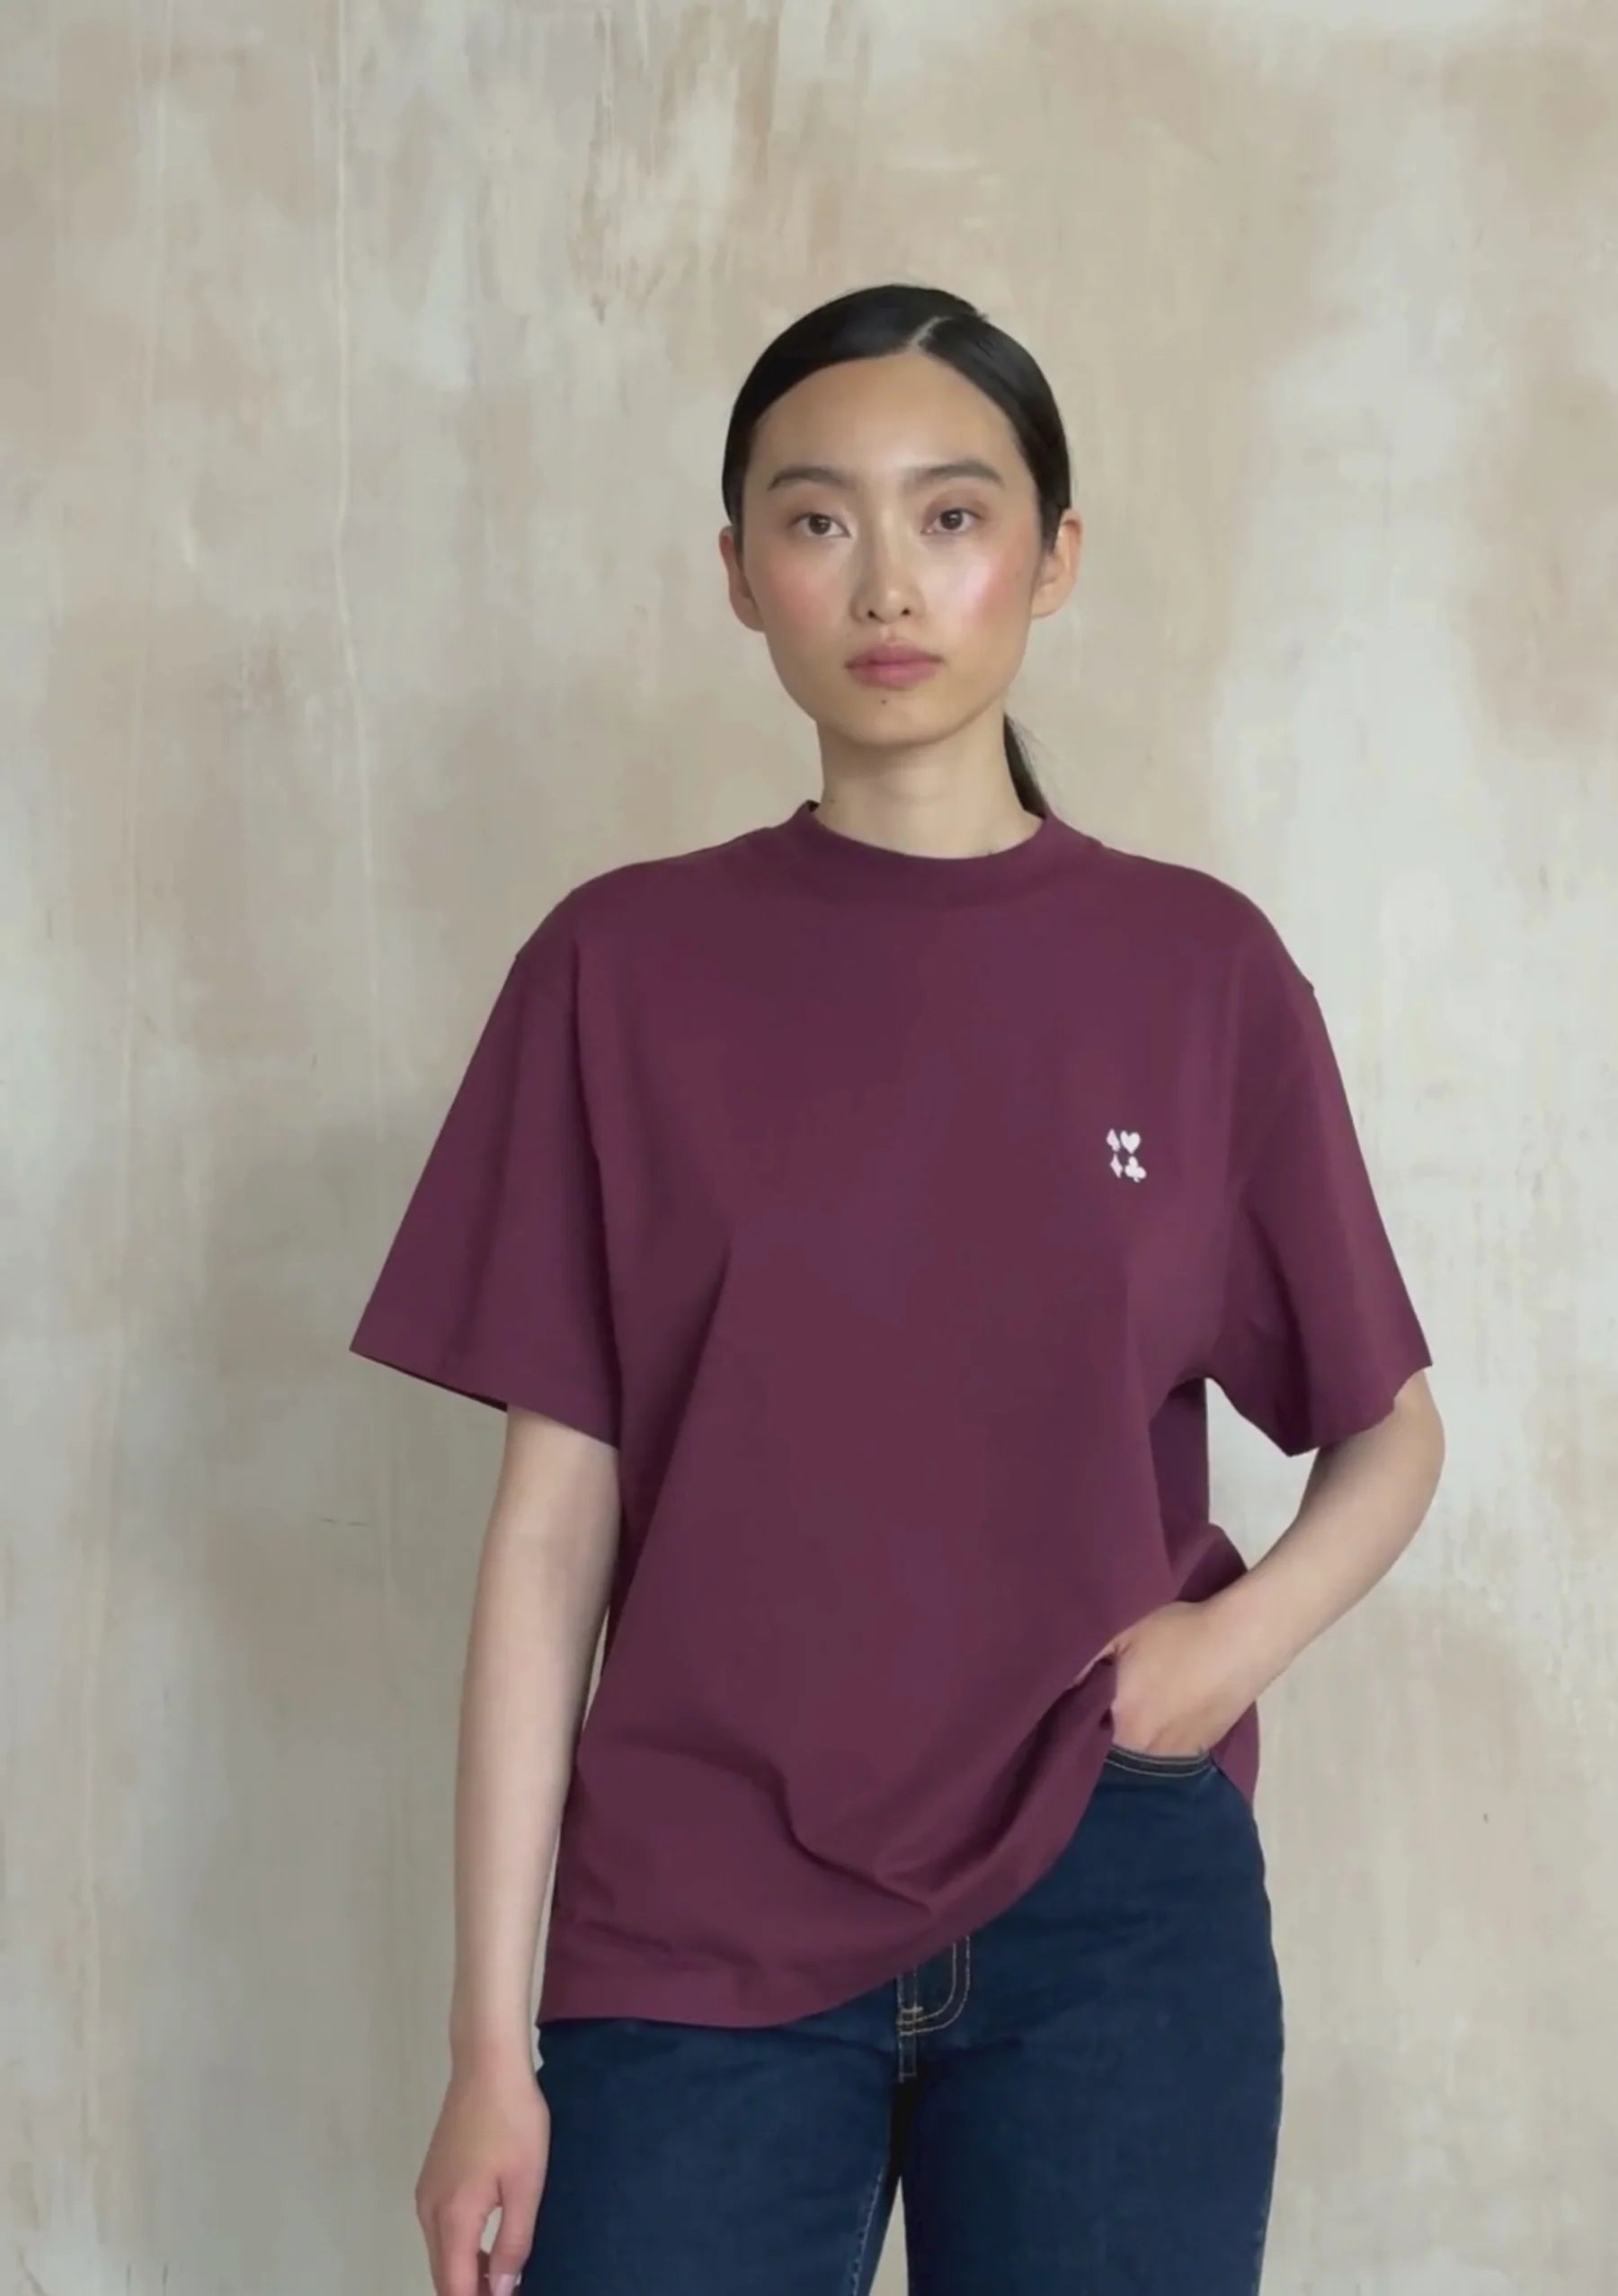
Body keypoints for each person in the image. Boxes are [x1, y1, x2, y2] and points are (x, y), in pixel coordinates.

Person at [349, 282, 1445, 2296]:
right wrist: (486, 2050)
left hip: (1112, 1911)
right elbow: (550, 1537)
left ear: (1055, 556)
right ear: (738, 574)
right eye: (816, 519)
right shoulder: (621, 971)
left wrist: (1222, 1656)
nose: (888, 581)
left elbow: (1392, 1435)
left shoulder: (1197, 974)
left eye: (952, 515)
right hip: (693, 1916)